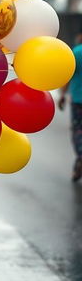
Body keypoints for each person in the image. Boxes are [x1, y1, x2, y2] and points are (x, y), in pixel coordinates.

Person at [58, 32, 82, 180]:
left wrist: (62, 95)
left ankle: (80, 157)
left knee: (78, 131)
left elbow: (68, 74)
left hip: (78, 100)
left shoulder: (77, 52)